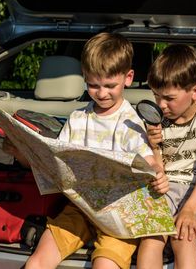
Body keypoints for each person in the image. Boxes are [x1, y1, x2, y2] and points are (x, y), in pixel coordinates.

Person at [25, 32, 169, 269]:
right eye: (93, 85)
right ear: (84, 78)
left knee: (104, 265)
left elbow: (148, 162)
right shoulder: (78, 118)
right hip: (79, 208)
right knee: (37, 262)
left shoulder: (130, 122)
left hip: (119, 218)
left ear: (128, 77)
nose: (102, 93)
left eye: (110, 85)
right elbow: (57, 158)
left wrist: (157, 174)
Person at [136, 44, 196, 269]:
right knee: (151, 239)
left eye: (169, 98)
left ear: (195, 91)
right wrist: (155, 147)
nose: (161, 105)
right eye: (156, 96)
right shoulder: (157, 117)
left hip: (194, 190)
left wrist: (190, 209)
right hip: (163, 189)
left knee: (184, 237)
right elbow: (158, 169)